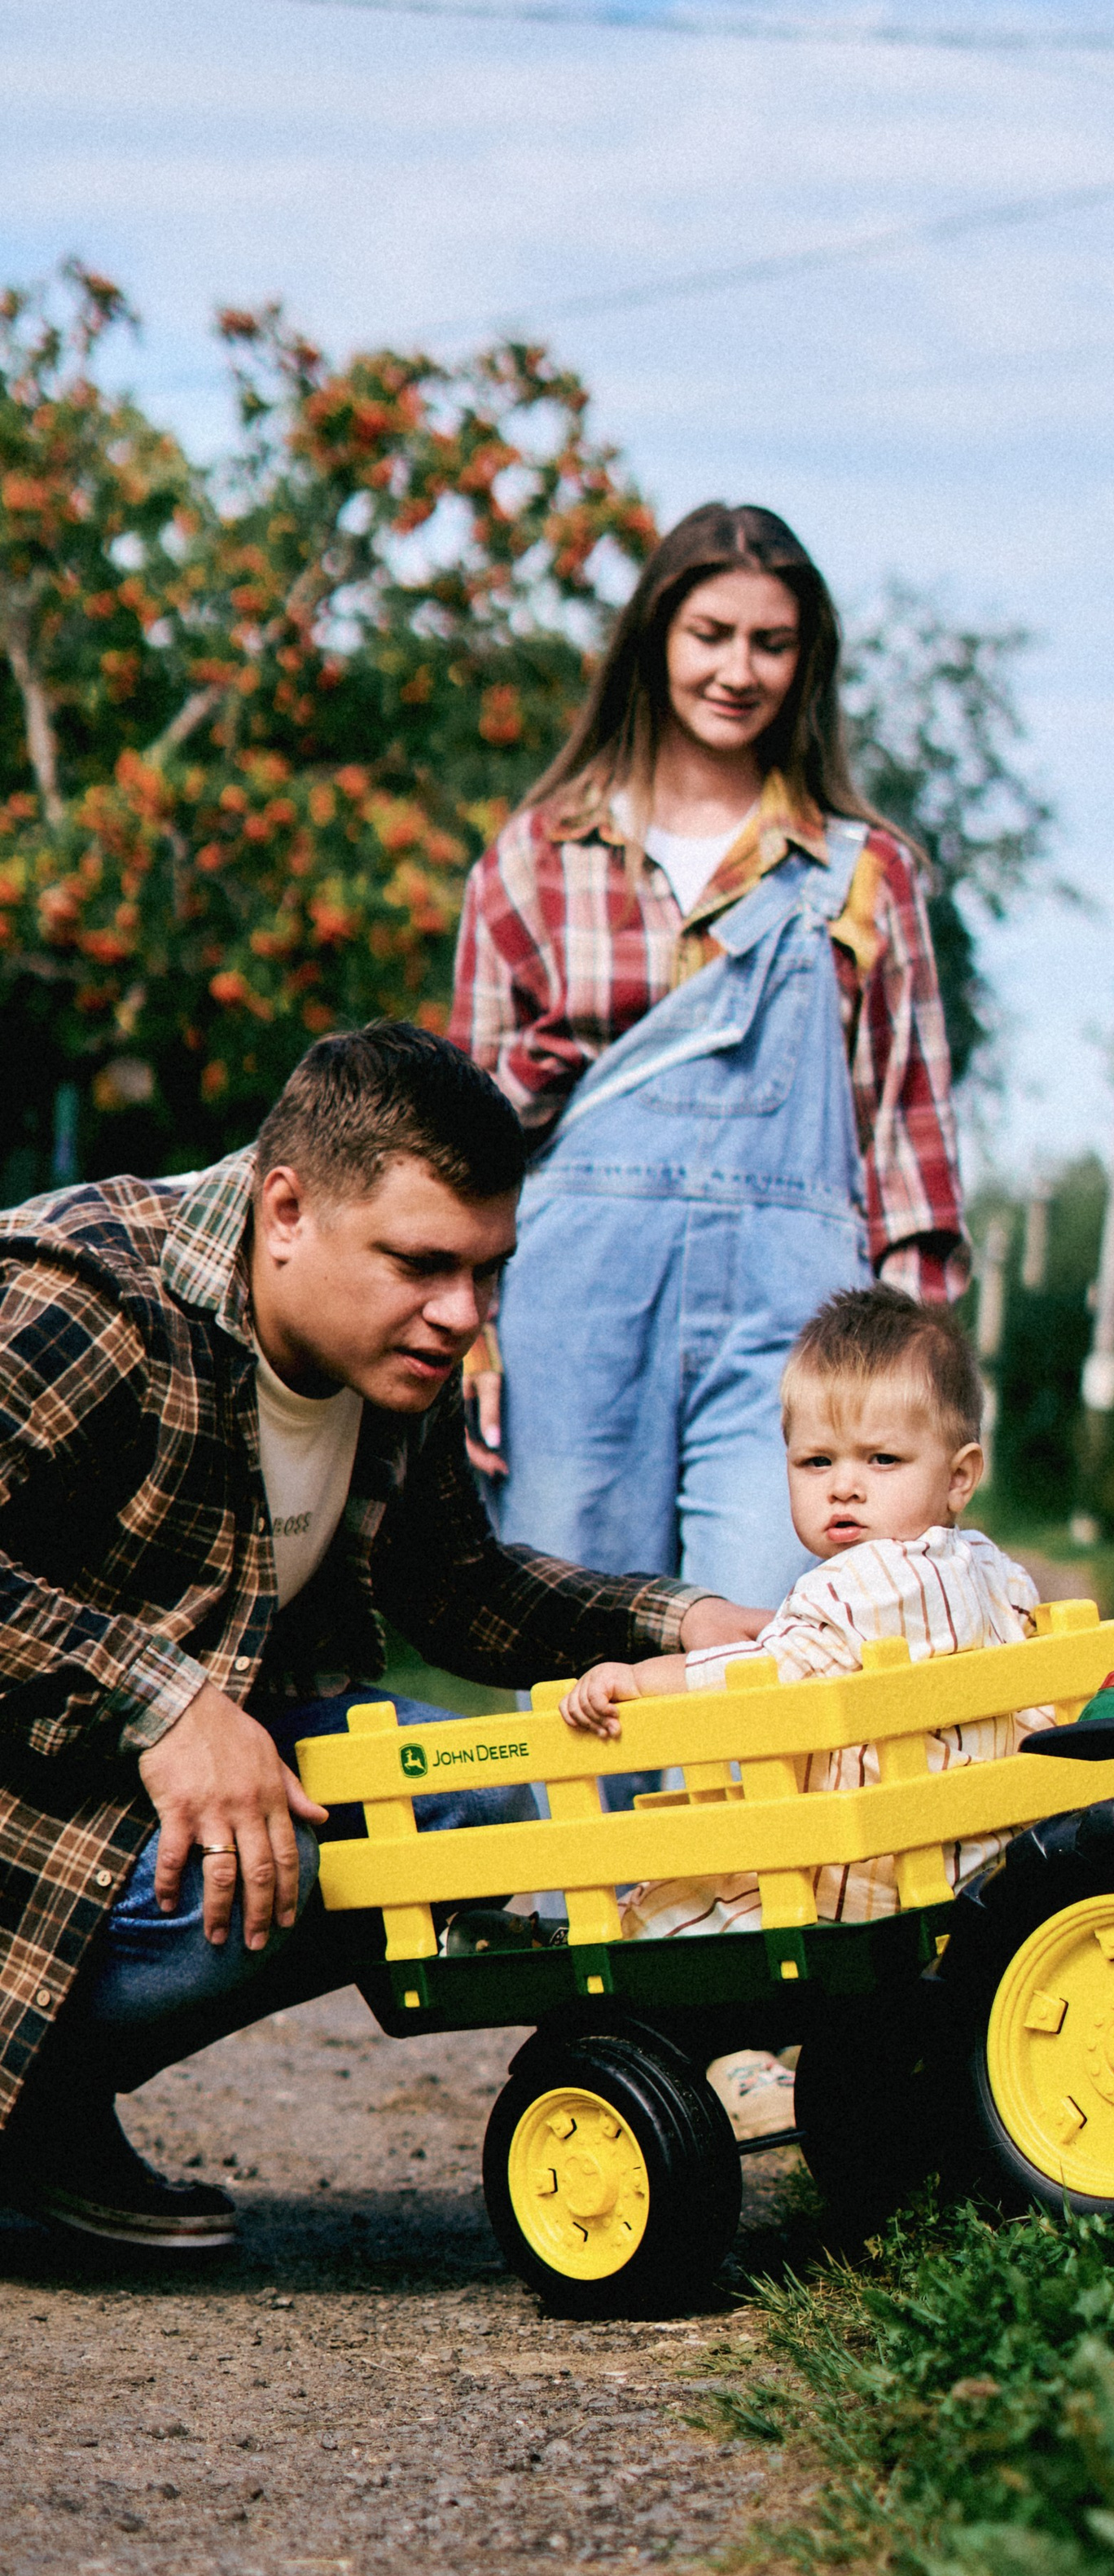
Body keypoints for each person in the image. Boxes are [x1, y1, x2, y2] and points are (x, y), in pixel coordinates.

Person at [0, 1024, 765, 2255]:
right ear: (287, 1211)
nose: (463, 1314)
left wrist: (683, 1621)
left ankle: (40, 2112)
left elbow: (459, 1588)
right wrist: (165, 1702)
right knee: (359, 1821)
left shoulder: (387, 1350)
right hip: (32, 1820)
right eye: (421, 1263)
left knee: (456, 1799)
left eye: (486, 1271)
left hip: (92, 1809)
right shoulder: (87, 1301)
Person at [450, 501, 967, 1611]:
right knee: (578, 1644)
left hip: (795, 1319)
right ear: (656, 640)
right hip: (574, 1314)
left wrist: (912, 1368)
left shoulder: (864, 874)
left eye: (770, 644)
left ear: (806, 662)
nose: (738, 670)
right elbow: (460, 1144)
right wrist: (469, 1336)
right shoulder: (535, 860)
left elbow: (908, 1142)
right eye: (711, 635)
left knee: (776, 1644)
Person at [560, 1282, 1039, 1972]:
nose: (843, 1486)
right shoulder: (993, 1572)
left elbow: (756, 1680)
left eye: (882, 1459)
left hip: (853, 1887)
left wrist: (635, 1679)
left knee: (656, 1917)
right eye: (818, 1461)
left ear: (960, 1477)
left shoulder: (855, 1585)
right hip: (968, 1867)